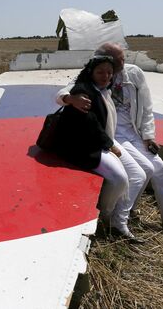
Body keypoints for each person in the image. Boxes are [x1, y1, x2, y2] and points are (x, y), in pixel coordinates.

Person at [56, 42, 163, 244]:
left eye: (123, 58)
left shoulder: (134, 74)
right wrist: (70, 98)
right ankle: (120, 217)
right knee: (143, 171)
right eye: (117, 60)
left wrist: (149, 135)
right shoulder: (96, 73)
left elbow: (147, 106)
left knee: (161, 170)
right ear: (104, 60)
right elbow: (66, 90)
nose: (121, 63)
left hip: (134, 132)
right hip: (113, 133)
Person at [53, 55, 139, 242]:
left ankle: (120, 214)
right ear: (90, 72)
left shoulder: (103, 90)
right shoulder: (84, 91)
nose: (105, 75)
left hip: (100, 141)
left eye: (109, 72)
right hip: (84, 147)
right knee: (120, 179)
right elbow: (89, 122)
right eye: (100, 71)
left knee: (136, 174)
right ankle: (104, 216)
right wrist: (110, 145)